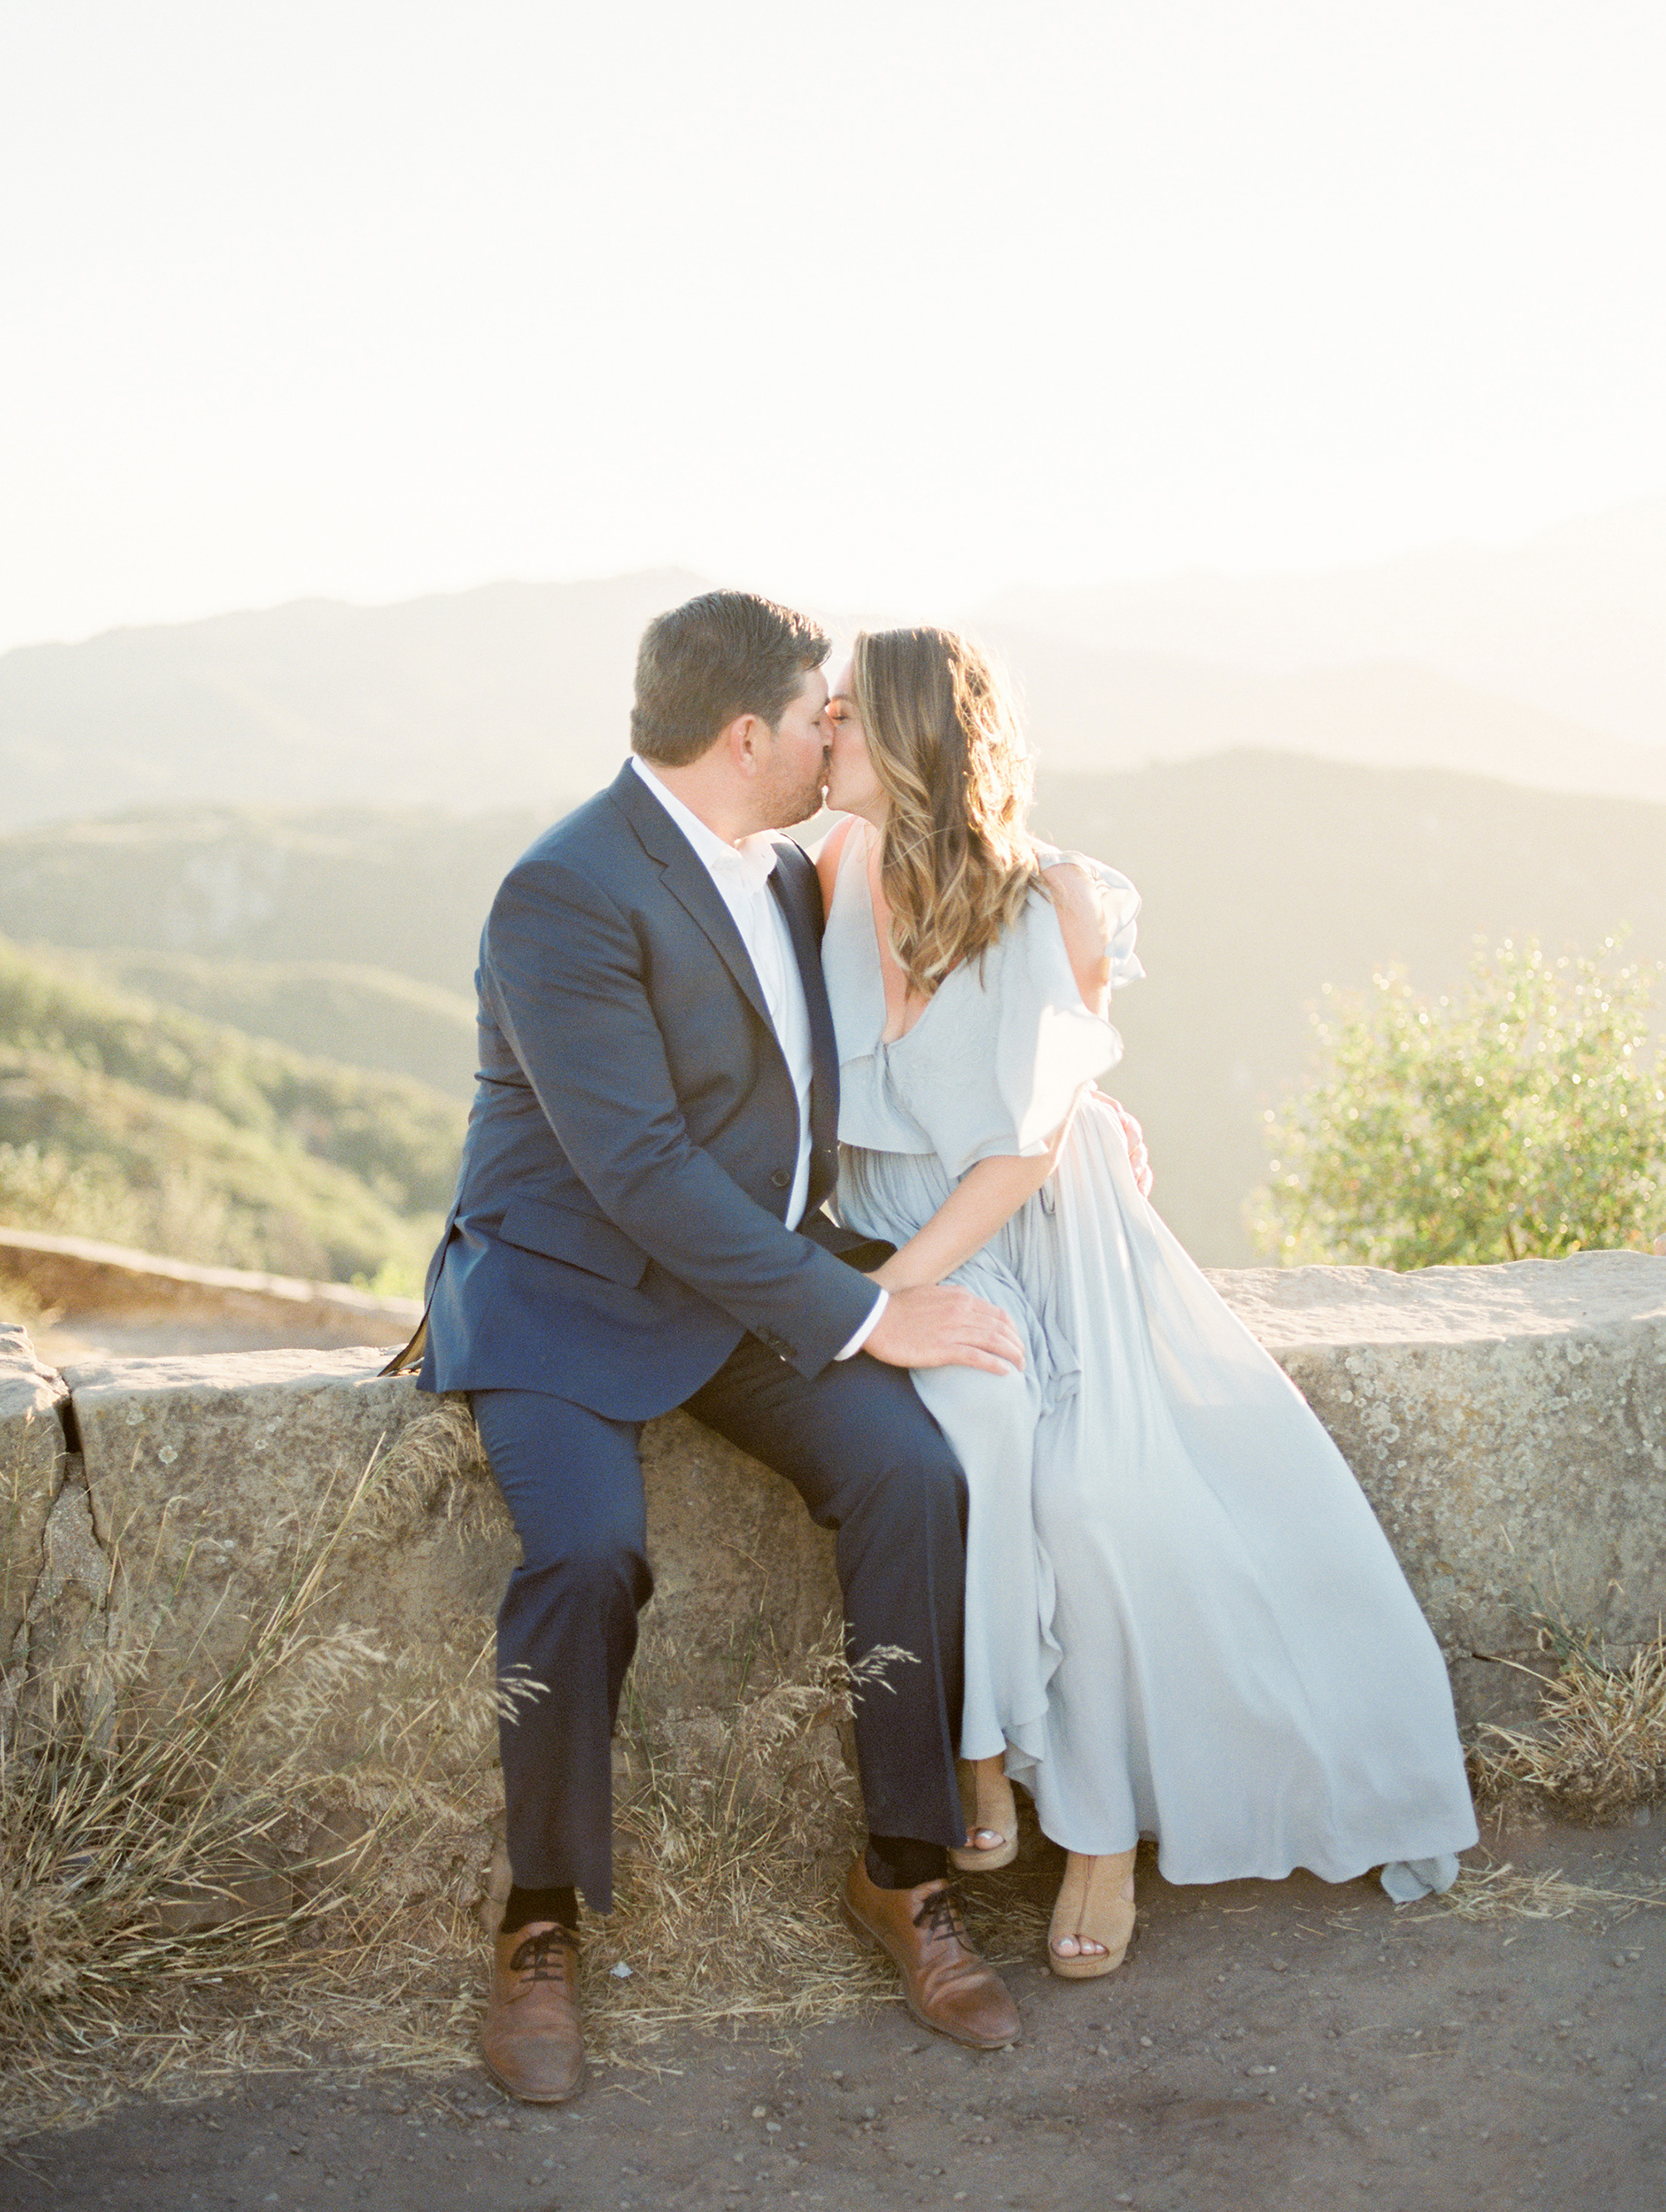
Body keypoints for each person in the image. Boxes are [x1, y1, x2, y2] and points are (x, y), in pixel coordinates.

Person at [402, 591, 1030, 2102]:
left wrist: (1072, 1091)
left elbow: (942, 971)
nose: (840, 730)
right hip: (563, 1291)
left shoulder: (798, 872)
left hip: (737, 1292)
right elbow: (641, 1174)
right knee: (588, 1557)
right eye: (823, 711)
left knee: (911, 1480)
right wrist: (870, 1313)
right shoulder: (561, 891)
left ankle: (902, 1870)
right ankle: (538, 1923)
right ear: (746, 735)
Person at [816, 625, 1479, 1978]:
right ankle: (985, 1759)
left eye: (839, 711)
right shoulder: (823, 867)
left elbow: (1030, 1133)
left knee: (1100, 1500)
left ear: (903, 740)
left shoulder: (1051, 901)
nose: (816, 726)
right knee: (986, 1434)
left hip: (1047, 1236)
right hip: (895, 1222)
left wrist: (889, 1295)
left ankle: (1105, 1837)